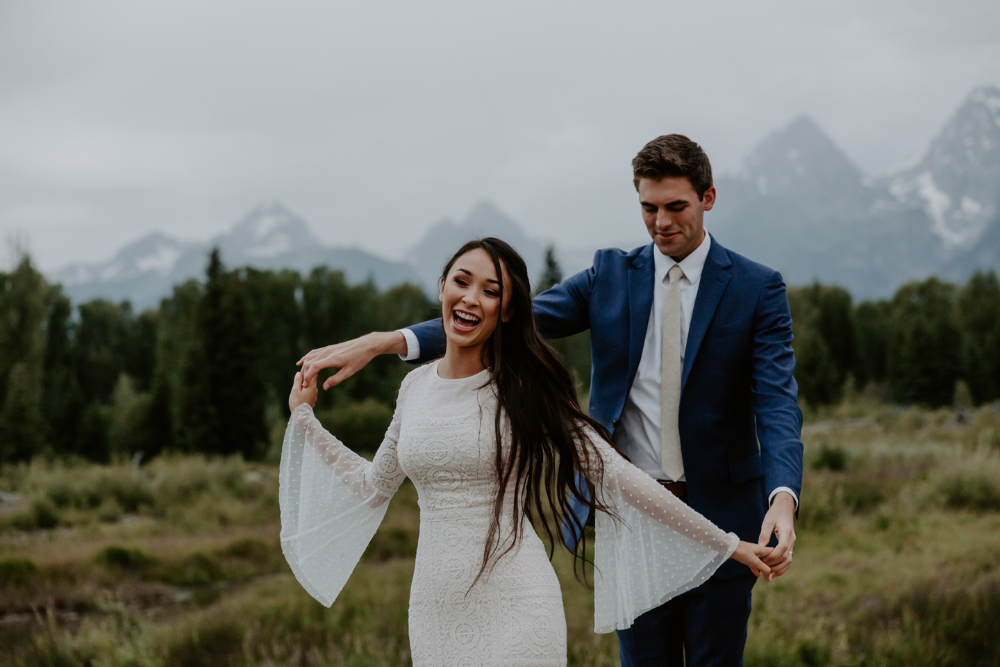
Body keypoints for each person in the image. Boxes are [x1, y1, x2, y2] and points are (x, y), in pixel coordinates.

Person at [298, 135, 804, 666]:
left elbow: (776, 404)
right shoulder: (609, 277)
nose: (661, 223)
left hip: (722, 509)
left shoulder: (757, 288)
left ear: (708, 198)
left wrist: (782, 498)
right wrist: (389, 341)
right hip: (627, 519)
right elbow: (507, 315)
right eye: (648, 208)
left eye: (675, 207)